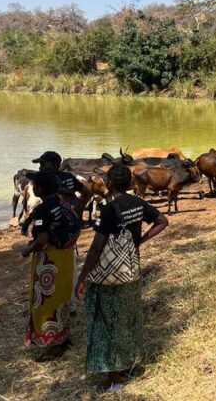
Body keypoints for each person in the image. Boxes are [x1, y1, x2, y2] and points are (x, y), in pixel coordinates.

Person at [77, 164, 169, 393]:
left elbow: (97, 248)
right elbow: (162, 221)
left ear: (108, 184)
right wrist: (140, 241)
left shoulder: (110, 209)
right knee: (128, 317)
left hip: (109, 276)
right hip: (130, 269)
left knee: (107, 322)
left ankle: (112, 377)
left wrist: (82, 276)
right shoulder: (138, 203)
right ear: (130, 183)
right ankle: (129, 364)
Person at [21, 171, 81, 362]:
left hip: (49, 260)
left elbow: (42, 239)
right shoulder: (63, 203)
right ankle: (63, 337)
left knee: (45, 301)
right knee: (61, 298)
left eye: (34, 184)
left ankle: (52, 344)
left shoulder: (43, 210)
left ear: (39, 188)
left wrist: (28, 250)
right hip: (65, 257)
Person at [29, 151, 88, 313]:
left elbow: (86, 193)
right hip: (65, 229)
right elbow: (85, 193)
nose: (40, 167)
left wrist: (78, 211)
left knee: (62, 265)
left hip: (58, 231)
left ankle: (66, 304)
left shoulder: (61, 180)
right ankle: (67, 303)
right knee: (67, 263)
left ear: (55, 164)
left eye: (43, 163)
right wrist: (76, 212)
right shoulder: (63, 179)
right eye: (40, 164)